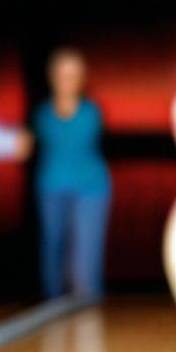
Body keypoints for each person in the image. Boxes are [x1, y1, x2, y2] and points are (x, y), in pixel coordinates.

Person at [21, 47, 111, 301]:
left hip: (91, 188)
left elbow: (80, 140)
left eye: (73, 74)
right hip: (51, 187)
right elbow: (24, 148)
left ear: (82, 79)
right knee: (53, 251)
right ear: (52, 76)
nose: (66, 80)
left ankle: (89, 315)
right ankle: (53, 312)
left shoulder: (92, 112)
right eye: (62, 74)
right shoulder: (40, 115)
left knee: (86, 262)